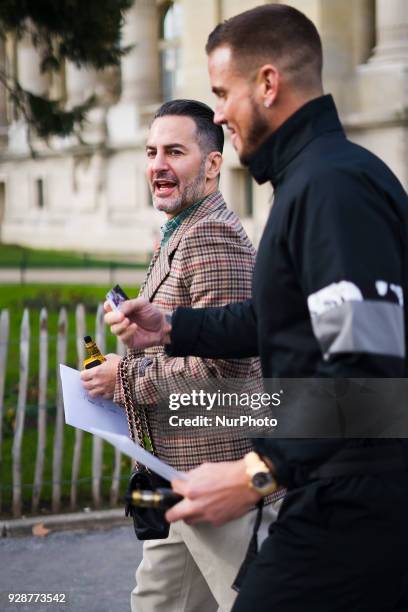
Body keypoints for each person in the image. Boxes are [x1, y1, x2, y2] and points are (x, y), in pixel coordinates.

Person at [105, 4, 408, 612]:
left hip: (355, 501)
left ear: (268, 84)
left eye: (222, 93)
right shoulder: (307, 180)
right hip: (334, 487)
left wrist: (255, 475)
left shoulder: (331, 187)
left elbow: (368, 370)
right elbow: (284, 321)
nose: (216, 114)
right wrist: (173, 325)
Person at [82, 98, 280, 612]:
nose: (158, 165)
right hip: (176, 474)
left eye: (175, 151)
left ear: (213, 164)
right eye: (151, 151)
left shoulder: (211, 237)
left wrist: (124, 379)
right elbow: (182, 340)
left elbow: (225, 369)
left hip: (221, 476)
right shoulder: (180, 230)